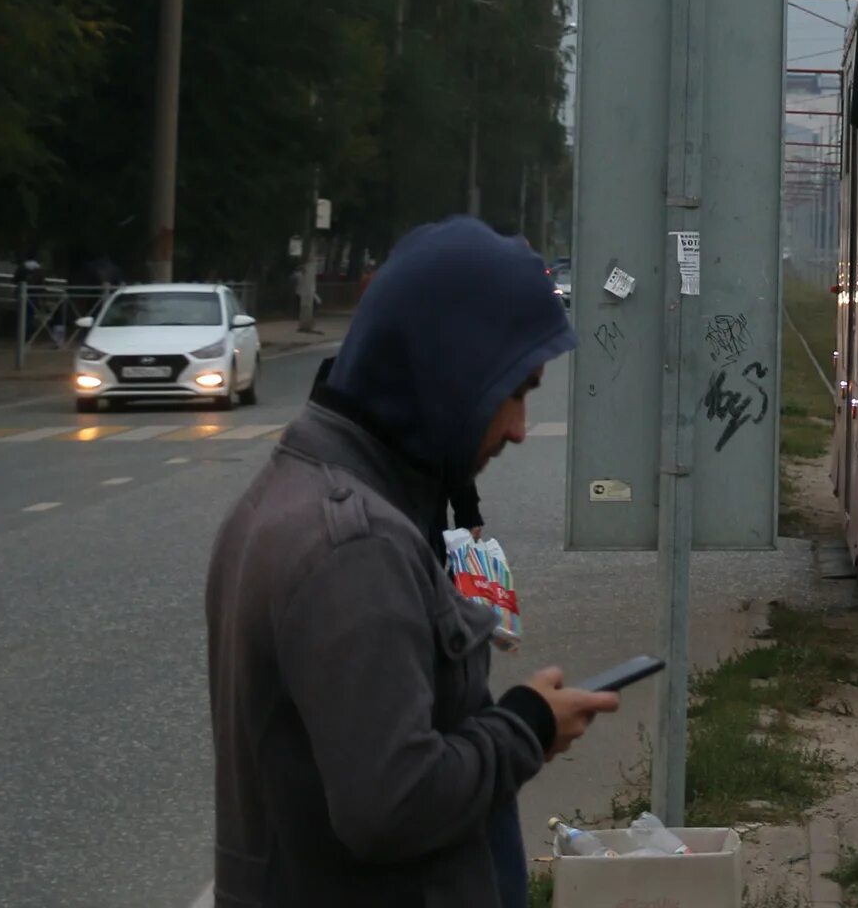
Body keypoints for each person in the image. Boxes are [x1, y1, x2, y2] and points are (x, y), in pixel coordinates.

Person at [207, 217, 610, 907]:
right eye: (516, 391)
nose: (518, 428)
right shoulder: (353, 547)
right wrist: (526, 726)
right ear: (450, 373)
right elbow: (392, 804)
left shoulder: (301, 493)